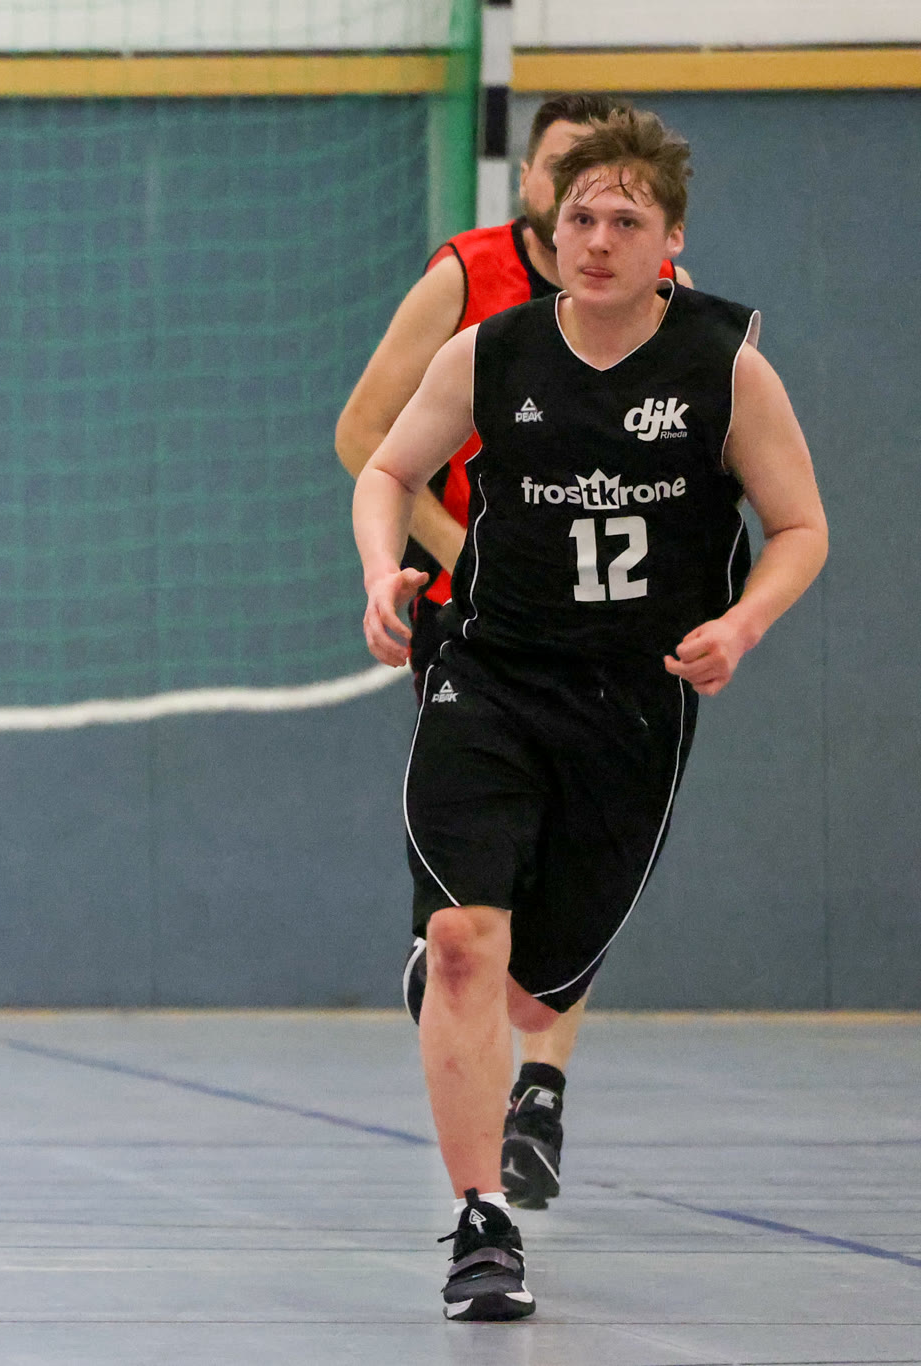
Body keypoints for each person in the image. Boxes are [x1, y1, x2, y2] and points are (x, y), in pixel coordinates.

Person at [351, 110, 826, 1320]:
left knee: (530, 994)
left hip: (630, 702)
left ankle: (470, 999)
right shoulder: (488, 353)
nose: (597, 239)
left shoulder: (723, 365)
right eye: (578, 218)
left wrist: (741, 623)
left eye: (625, 220)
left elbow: (799, 527)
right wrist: (380, 570)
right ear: (549, 230)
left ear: (669, 242)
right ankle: (480, 1223)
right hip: (487, 674)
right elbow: (384, 466)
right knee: (465, 943)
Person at [335, 93, 693, 1209]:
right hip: (480, 628)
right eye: (566, 182)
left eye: (618, 204)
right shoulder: (469, 280)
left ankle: (540, 1080)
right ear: (532, 184)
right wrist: (457, 554)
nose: (592, 217)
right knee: (476, 896)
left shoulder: (672, 316)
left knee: (564, 887)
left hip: (614, 648)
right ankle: (490, 1149)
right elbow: (365, 439)